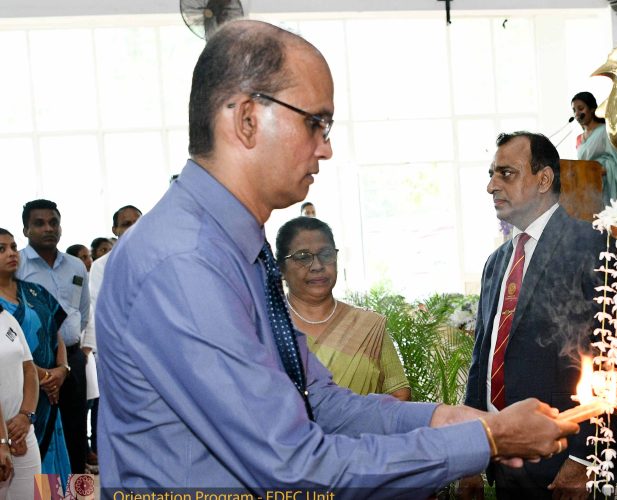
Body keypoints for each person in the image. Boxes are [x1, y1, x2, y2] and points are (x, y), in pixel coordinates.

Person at [97, 20, 577, 495]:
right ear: (246, 119)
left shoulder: (236, 249)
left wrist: (451, 420)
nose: (325, 148)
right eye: (315, 123)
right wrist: (486, 440)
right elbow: (293, 466)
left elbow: (318, 401)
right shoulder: (185, 262)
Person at [460, 132, 617, 499]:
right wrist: (470, 454)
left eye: (506, 173)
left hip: (562, 462)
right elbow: (481, 362)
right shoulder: (496, 263)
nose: (492, 186)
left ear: (544, 179)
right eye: (491, 174)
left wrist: (584, 459)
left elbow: (611, 360)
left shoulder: (593, 246)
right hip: (501, 455)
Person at [276, 216, 411, 400]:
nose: (317, 266)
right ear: (281, 269)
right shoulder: (268, 327)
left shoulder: (368, 328)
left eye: (326, 254)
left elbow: (400, 395)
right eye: (303, 257)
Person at [16, 199, 90, 474]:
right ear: (26, 230)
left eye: (53, 222)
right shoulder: (17, 265)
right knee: (41, 437)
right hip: (30, 367)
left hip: (71, 360)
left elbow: (81, 312)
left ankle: (76, 490)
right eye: (39, 223)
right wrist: (47, 371)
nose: (48, 228)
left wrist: (65, 366)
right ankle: (47, 492)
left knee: (75, 433)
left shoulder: (76, 266)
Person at [0, 228, 71, 478]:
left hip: (49, 394)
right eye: (1, 249)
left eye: (13, 246)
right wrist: (46, 377)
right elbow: (15, 356)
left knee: (53, 463)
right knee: (20, 479)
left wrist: (62, 370)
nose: (11, 253)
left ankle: (53, 494)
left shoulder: (35, 291)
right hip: (15, 397)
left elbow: (55, 333)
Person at [82, 204, 142, 467]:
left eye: (137, 222)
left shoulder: (159, 256)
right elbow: (102, 309)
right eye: (126, 224)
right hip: (116, 354)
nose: (132, 228)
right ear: (115, 229)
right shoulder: (101, 266)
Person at [0, 305, 40, 500]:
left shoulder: (7, 317)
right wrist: (3, 440)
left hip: (22, 431)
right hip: (4, 436)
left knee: (35, 494)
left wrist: (26, 416)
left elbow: (29, 368)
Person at [571, 91, 617, 208]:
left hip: (606, 188)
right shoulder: (579, 139)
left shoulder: (605, 131)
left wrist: (598, 169)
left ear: (592, 109)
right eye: (574, 110)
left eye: (581, 108)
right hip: (588, 191)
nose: (577, 114)